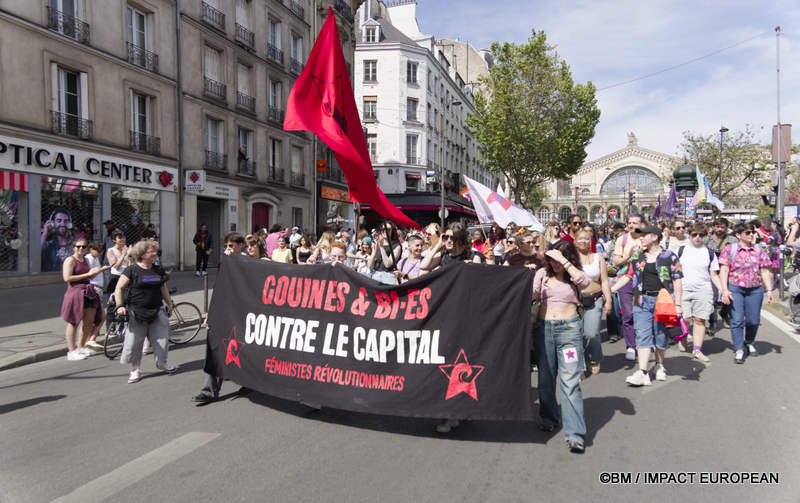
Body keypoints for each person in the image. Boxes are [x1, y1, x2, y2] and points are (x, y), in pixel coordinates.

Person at [532, 240, 591, 453]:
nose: (553, 264)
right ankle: (549, 417)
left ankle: (575, 434)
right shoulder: (542, 273)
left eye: (557, 260)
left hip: (569, 331)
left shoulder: (574, 274)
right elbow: (532, 296)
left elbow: (585, 283)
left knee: (570, 381)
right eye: (551, 259)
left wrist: (564, 262)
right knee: (546, 378)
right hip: (544, 329)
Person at [611, 225, 683, 386]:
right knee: (642, 334)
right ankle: (642, 371)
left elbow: (677, 280)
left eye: (644, 235)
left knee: (660, 335)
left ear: (655, 237)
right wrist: (611, 290)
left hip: (663, 302)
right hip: (641, 301)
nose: (640, 238)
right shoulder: (638, 256)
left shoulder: (669, 256)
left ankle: (659, 365)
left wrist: (678, 304)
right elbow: (628, 276)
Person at [114, 239, 176, 383]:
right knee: (135, 342)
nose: (155, 253)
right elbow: (119, 288)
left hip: (157, 309)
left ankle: (161, 363)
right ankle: (135, 370)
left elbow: (163, 287)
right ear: (142, 254)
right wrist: (120, 305)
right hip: (137, 311)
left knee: (162, 338)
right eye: (151, 251)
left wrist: (169, 303)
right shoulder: (131, 270)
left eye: (155, 251)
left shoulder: (157, 269)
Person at [192, 233, 245, 402]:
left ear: (240, 245)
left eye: (231, 246)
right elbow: (219, 289)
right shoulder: (225, 262)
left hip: (243, 314)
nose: (228, 249)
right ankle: (208, 390)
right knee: (215, 348)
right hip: (224, 312)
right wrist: (211, 314)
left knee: (245, 350)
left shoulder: (248, 262)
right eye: (226, 246)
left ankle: (250, 381)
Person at [719, 222, 774, 364]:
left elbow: (765, 270)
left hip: (755, 289)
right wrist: (724, 290)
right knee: (737, 320)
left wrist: (769, 290)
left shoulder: (759, 249)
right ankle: (739, 349)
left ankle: (749, 341)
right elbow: (724, 269)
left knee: (753, 320)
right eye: (747, 233)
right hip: (735, 288)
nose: (751, 235)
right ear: (738, 235)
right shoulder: (730, 249)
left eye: (752, 232)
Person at [678, 223, 722, 362]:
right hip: (683, 288)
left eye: (701, 235)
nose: (698, 238)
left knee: (699, 319)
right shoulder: (681, 250)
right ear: (689, 234)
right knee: (684, 318)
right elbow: (673, 271)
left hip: (703, 289)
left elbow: (714, 274)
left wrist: (723, 289)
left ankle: (697, 349)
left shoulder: (709, 252)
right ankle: (683, 337)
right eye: (694, 235)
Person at [61, 238, 109, 360]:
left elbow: (90, 276)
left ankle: (80, 347)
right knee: (74, 321)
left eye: (83, 247)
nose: (81, 249)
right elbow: (67, 278)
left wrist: (99, 271)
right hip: (75, 292)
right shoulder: (70, 260)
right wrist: (88, 275)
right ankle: (71, 351)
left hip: (88, 291)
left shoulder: (86, 260)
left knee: (88, 322)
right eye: (78, 246)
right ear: (73, 247)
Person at [575, 228, 612, 375]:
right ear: (575, 241)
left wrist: (608, 300)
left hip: (595, 298)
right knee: (576, 335)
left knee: (591, 333)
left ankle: (594, 358)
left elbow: (604, 281)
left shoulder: (598, 257)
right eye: (581, 239)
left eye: (587, 239)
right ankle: (579, 366)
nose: (584, 241)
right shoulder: (571, 259)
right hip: (575, 301)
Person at [613, 214, 643, 361]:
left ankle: (644, 342)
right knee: (628, 314)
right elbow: (616, 261)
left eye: (635, 222)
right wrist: (629, 255)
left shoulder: (648, 237)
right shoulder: (622, 239)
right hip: (625, 278)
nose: (632, 225)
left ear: (642, 224)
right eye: (630, 223)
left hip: (644, 278)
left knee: (644, 311)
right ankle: (630, 345)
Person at [83, 241, 108, 352]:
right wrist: (102, 269)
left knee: (95, 318)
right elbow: (90, 275)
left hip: (97, 288)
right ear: (91, 249)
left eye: (101, 251)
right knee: (100, 316)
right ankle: (89, 341)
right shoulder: (88, 258)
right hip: (93, 288)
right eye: (98, 251)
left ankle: (90, 341)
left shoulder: (94, 258)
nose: (100, 253)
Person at [41, 207, 74, 271]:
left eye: (65, 221)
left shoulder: (76, 244)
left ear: (69, 224)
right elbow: (34, 256)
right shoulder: (47, 244)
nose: (62, 224)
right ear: (52, 223)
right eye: (59, 220)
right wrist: (44, 234)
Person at [105, 230, 130, 295]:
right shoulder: (111, 250)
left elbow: (129, 265)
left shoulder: (126, 249)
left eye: (123, 237)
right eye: (120, 238)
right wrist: (123, 255)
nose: (122, 239)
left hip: (126, 276)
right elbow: (116, 266)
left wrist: (130, 255)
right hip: (116, 276)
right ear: (114, 240)